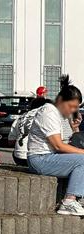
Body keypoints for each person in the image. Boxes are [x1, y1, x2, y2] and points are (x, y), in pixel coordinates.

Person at [27, 77, 84, 215]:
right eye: (72, 106)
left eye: (76, 108)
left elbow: (68, 144)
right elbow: (58, 146)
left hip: (49, 157)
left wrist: (75, 128)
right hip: (39, 159)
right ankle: (69, 201)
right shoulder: (49, 112)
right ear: (61, 101)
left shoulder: (60, 115)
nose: (73, 111)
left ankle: (75, 199)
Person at [9, 97, 52, 166]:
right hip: (35, 158)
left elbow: (10, 142)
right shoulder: (43, 115)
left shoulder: (20, 117)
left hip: (18, 158)